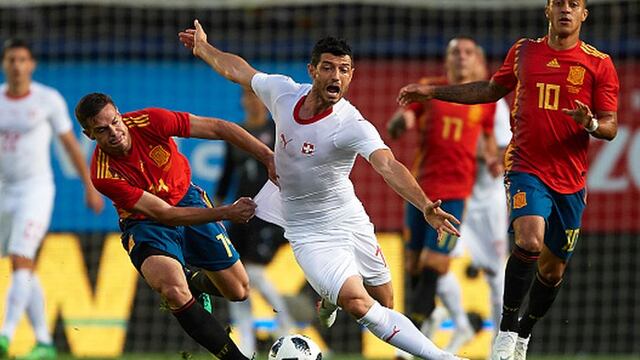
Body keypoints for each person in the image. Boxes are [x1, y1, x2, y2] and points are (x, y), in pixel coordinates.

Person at [179, 20, 466, 360]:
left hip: (349, 216)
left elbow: (387, 165)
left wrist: (425, 206)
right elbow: (240, 71)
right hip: (308, 229)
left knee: (384, 302)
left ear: (351, 76)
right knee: (358, 303)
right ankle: (446, 358)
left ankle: (329, 297)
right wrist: (204, 49)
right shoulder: (284, 93)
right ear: (312, 70)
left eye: (344, 70)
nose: (336, 76)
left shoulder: (351, 125)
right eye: (328, 67)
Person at [397, 1, 619, 359]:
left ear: (583, 14)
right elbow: (488, 90)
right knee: (529, 240)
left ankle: (524, 334)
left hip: (570, 181)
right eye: (558, 3)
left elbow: (610, 126)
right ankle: (506, 330)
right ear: (548, 11)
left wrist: (590, 124)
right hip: (526, 168)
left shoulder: (599, 64)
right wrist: (433, 91)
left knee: (552, 271)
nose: (565, 9)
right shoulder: (524, 52)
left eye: (573, 4)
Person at [74, 92, 277, 360]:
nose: (114, 132)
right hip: (146, 223)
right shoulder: (103, 175)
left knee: (238, 291)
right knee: (172, 289)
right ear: (89, 135)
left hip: (188, 198)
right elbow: (166, 215)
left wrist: (267, 156)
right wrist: (227, 212)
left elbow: (219, 128)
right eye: (102, 130)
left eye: (115, 121)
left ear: (120, 113)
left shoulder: (152, 121)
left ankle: (194, 280)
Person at [387, 37, 499, 357]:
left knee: (434, 262)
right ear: (447, 59)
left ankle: (410, 343)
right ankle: (451, 321)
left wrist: (491, 159)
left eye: (467, 52)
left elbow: (485, 140)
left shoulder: (484, 99)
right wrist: (400, 122)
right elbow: (409, 117)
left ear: (475, 59)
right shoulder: (429, 88)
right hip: (421, 191)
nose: (461, 58)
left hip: (455, 193)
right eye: (455, 52)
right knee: (413, 266)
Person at [0, 39, 104, 359]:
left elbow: (71, 145)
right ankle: (44, 341)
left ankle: (4, 335)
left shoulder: (48, 100)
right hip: (3, 191)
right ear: (5, 64)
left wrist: (89, 185)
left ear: (32, 65)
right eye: (11, 60)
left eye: (22, 59)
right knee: (24, 266)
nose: (17, 65)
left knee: (20, 256)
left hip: (36, 189)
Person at [215, 88, 294, 356]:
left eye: (257, 98)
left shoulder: (277, 132)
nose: (252, 103)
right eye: (248, 97)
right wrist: (216, 212)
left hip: (270, 214)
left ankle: (288, 327)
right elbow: (226, 176)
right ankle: (246, 346)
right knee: (236, 280)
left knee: (255, 273)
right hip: (241, 212)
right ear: (242, 102)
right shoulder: (236, 135)